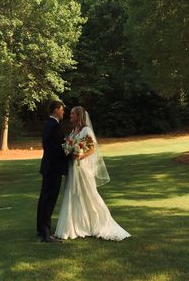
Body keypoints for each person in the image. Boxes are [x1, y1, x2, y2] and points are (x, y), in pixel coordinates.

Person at [55, 106, 131, 241]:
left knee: (88, 194)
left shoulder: (86, 130)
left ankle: (99, 222)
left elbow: (91, 150)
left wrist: (80, 155)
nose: (70, 115)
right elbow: (71, 146)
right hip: (73, 168)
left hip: (82, 167)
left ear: (79, 115)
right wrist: (69, 150)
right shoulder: (74, 131)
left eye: (72, 113)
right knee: (73, 194)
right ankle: (77, 226)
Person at [37, 100, 68, 243]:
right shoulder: (54, 126)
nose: (63, 112)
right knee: (49, 200)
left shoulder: (48, 124)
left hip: (48, 167)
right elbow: (58, 150)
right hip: (53, 168)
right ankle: (46, 234)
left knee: (44, 198)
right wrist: (70, 154)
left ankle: (41, 229)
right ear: (56, 109)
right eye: (62, 109)